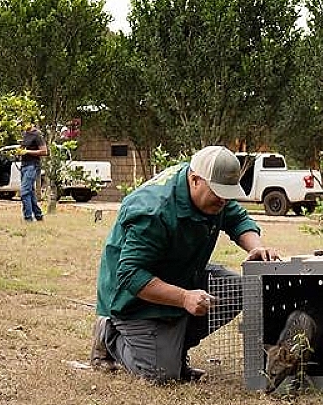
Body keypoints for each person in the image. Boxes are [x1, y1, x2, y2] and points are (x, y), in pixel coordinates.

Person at [89, 145, 280, 383]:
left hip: (182, 273)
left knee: (240, 289)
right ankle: (110, 335)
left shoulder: (214, 193)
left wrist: (256, 246)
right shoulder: (152, 212)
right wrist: (184, 298)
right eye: (218, 192)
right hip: (133, 298)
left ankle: (172, 349)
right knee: (162, 375)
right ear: (195, 179)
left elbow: (237, 218)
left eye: (227, 193)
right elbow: (131, 275)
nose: (223, 200)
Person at [19, 121, 48, 222]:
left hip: (32, 166)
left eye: (23, 123)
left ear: (31, 123)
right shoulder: (25, 134)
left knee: (24, 192)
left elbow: (44, 151)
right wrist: (18, 151)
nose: (22, 125)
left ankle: (28, 218)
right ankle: (39, 216)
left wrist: (27, 152)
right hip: (24, 165)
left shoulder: (37, 135)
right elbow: (23, 148)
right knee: (30, 193)